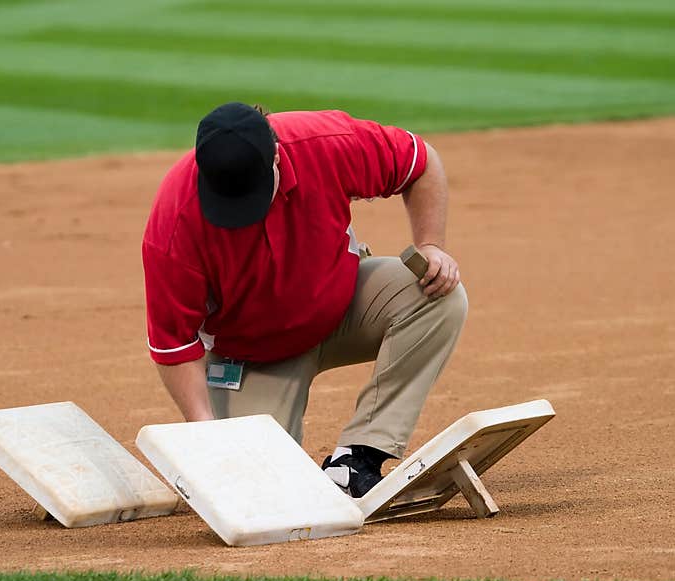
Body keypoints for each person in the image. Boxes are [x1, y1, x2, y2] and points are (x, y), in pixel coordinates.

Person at [142, 102, 467, 498]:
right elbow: (174, 342)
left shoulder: (325, 143)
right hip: (250, 355)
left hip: (343, 308)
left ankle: (359, 455)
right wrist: (205, 429)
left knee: (435, 295)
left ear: (277, 156)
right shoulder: (175, 219)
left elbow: (420, 161)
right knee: (256, 489)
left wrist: (431, 245)